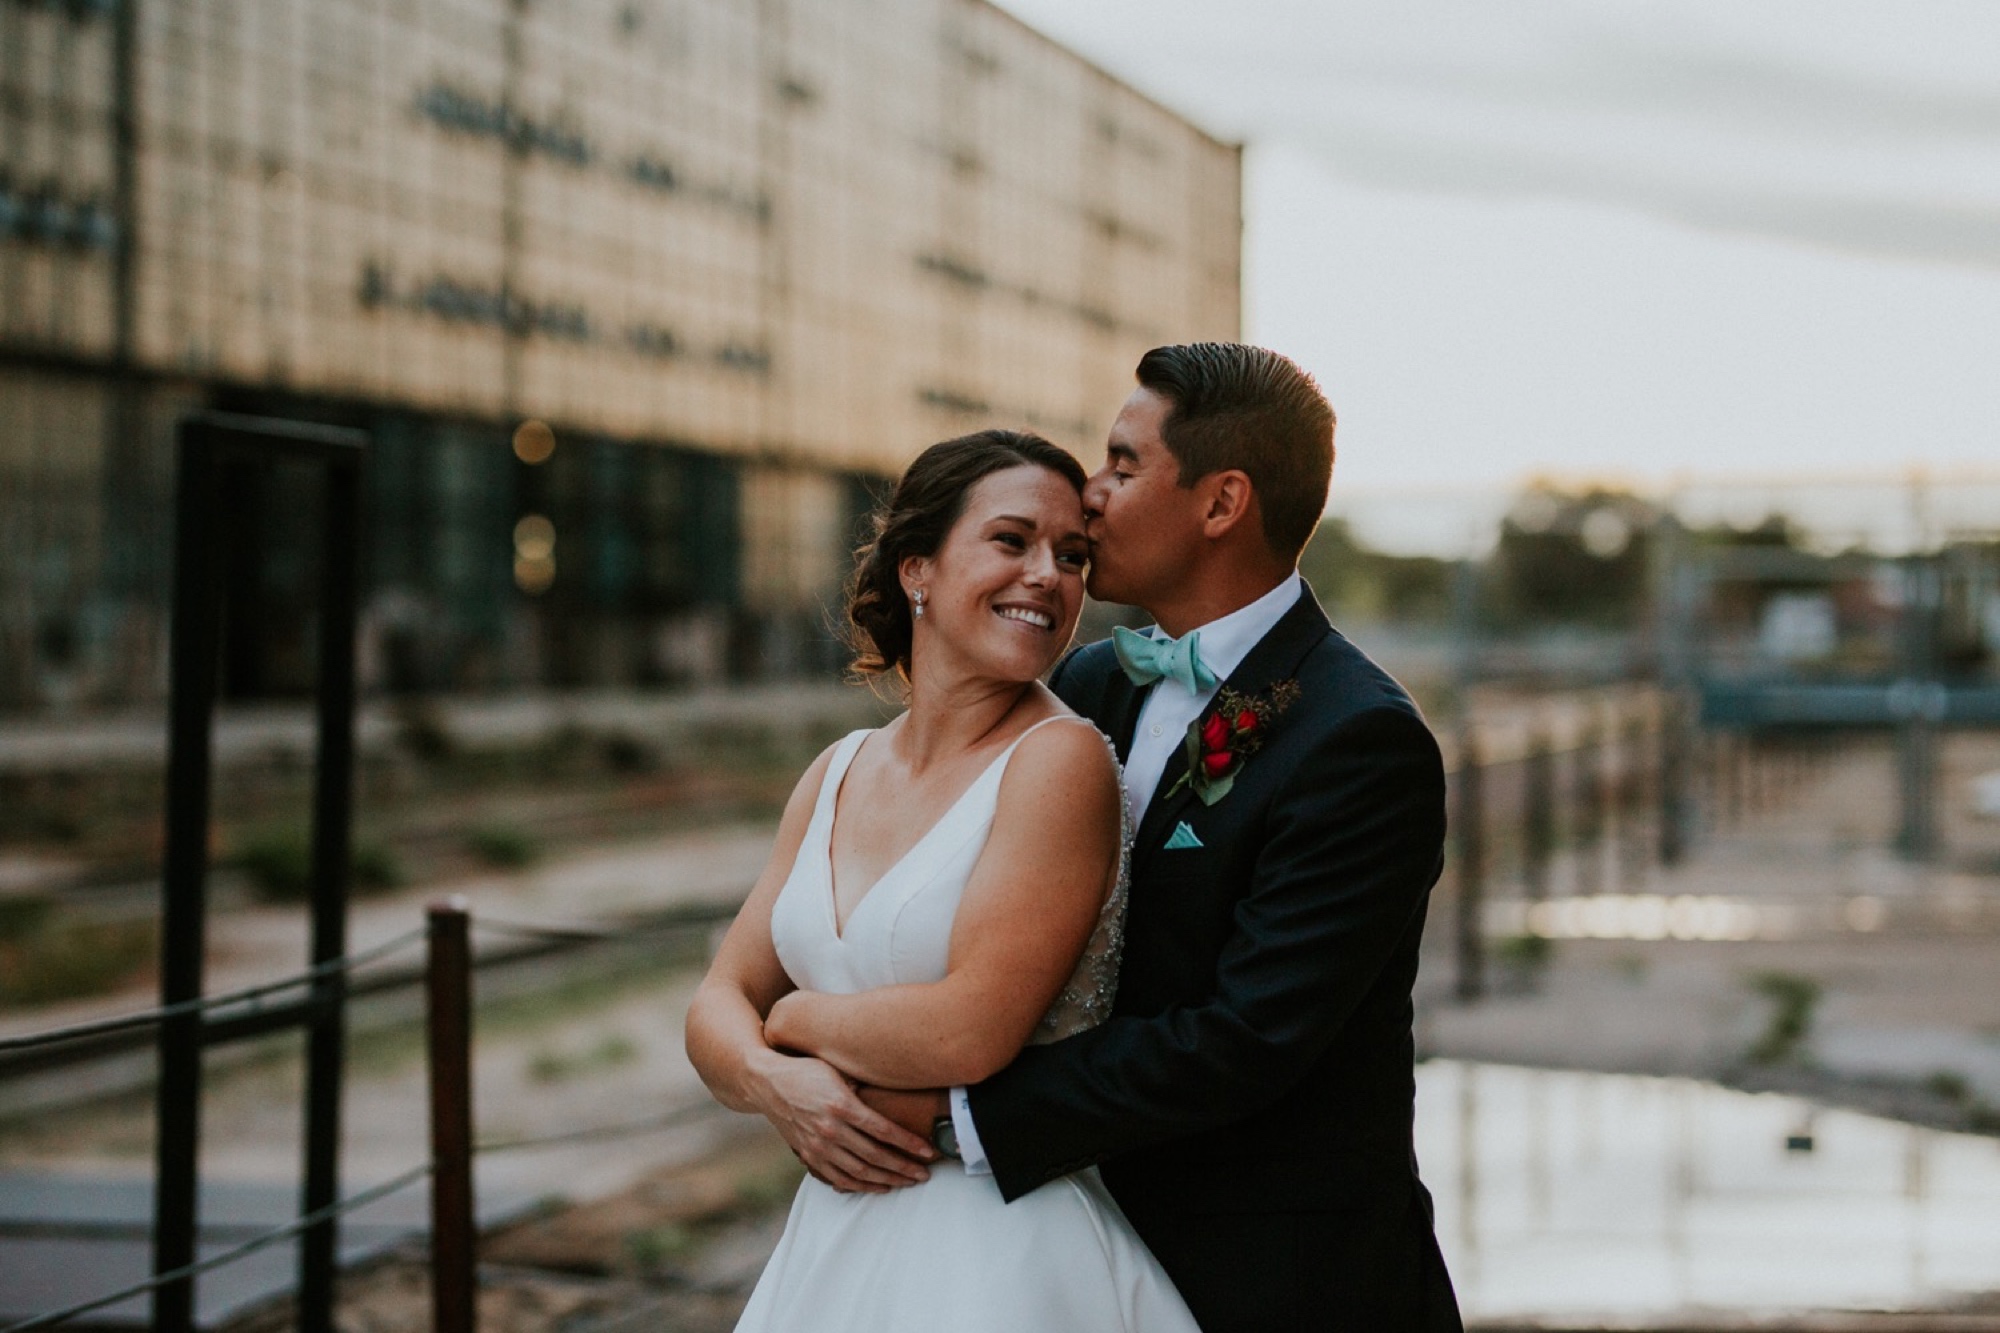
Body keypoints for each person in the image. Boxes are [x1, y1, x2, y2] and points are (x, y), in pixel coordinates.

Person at [776, 344, 1464, 1332]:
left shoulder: (1356, 737)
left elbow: (1242, 1037)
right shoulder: (1083, 688)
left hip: (1268, 1276)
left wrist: (950, 1118)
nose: (1088, 498)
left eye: (1120, 465)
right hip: (1052, 1241)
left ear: (1220, 503)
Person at [685, 429, 1202, 1331]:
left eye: (1072, 555)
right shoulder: (837, 769)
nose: (1049, 573)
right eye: (1012, 541)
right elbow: (715, 1001)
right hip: (834, 1236)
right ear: (916, 569)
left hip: (995, 1248)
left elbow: (969, 1029)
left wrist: (791, 1023)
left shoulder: (1060, 759)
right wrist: (777, 1086)